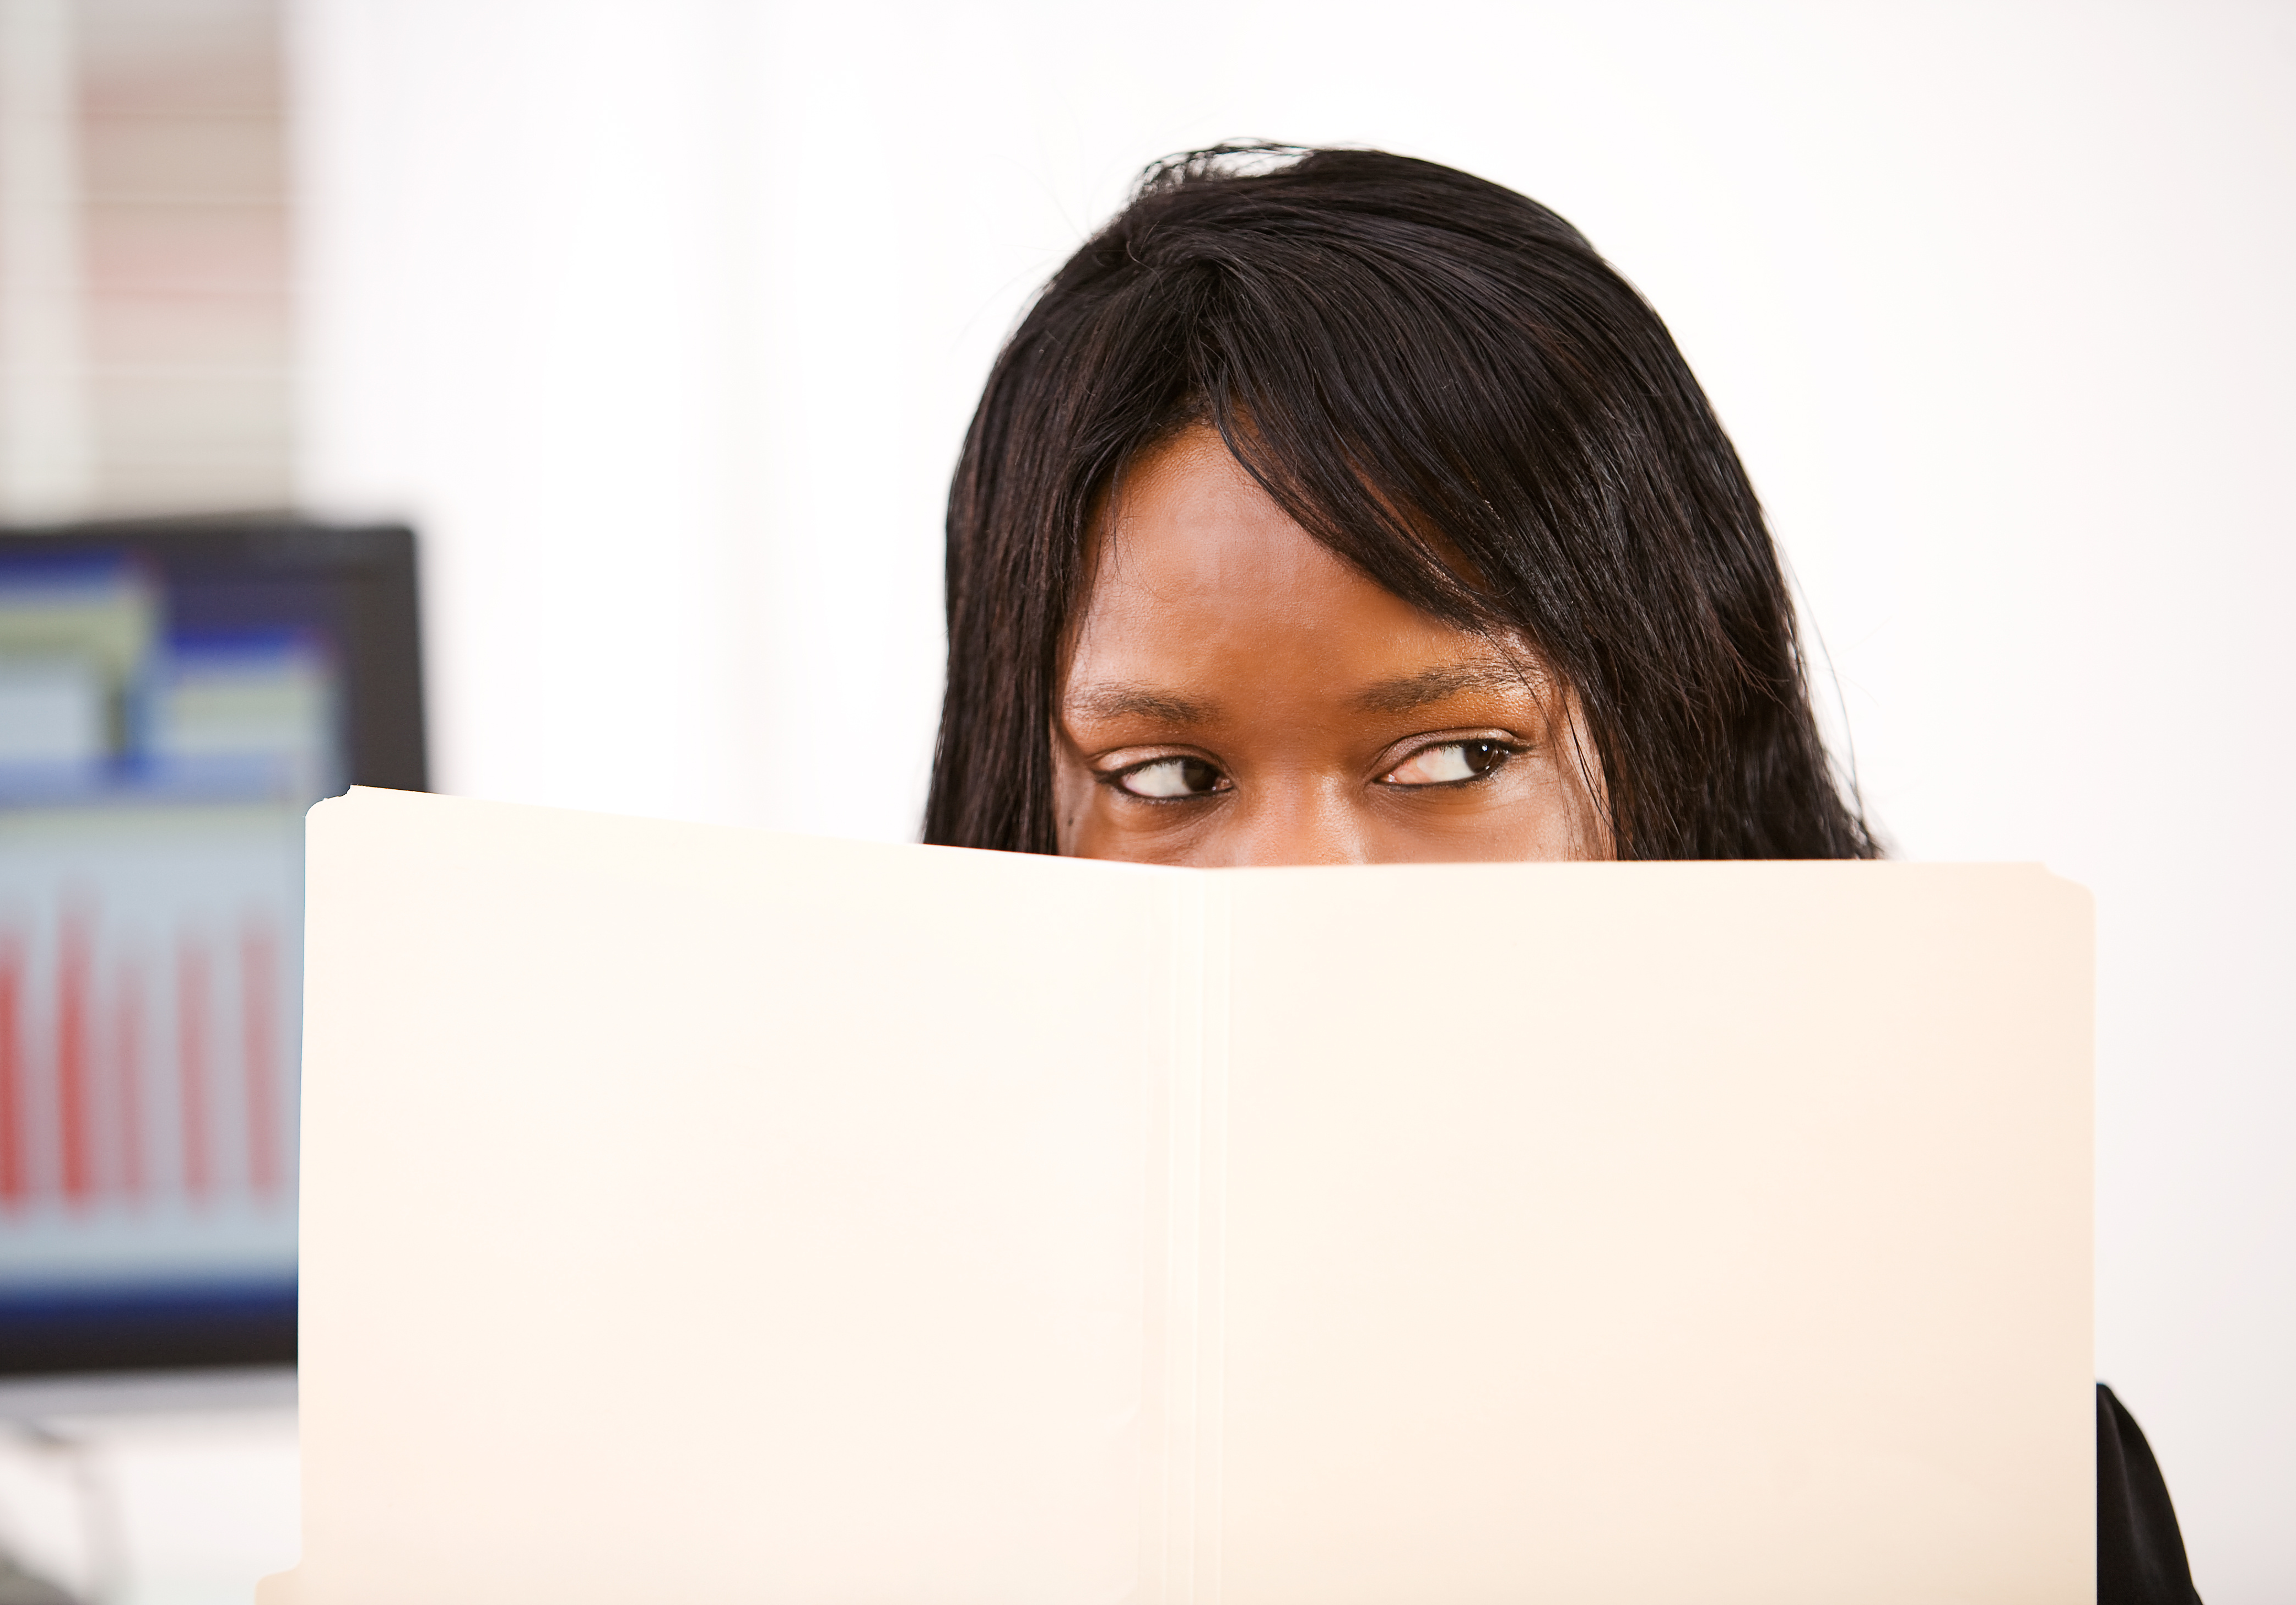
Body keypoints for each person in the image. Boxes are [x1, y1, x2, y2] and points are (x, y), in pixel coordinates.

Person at [924, 143, 2201, 1602]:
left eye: (1458, 759)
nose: (1293, 898)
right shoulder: (821, 1477)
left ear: (1680, 754)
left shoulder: (2006, 1489)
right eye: (1165, 777)